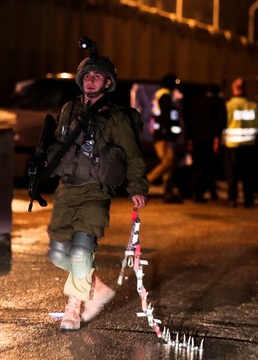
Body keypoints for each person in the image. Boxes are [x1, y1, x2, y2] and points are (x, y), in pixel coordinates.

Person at [46, 48, 148, 331]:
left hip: (95, 191)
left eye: (97, 77)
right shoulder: (69, 109)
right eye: (87, 76)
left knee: (81, 251)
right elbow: (57, 144)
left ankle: (74, 307)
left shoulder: (116, 118)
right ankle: (93, 285)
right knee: (56, 253)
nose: (91, 81)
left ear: (107, 82)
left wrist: (137, 187)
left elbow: (133, 154)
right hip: (67, 190)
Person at [222, 77, 258, 208]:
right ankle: (248, 199)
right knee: (248, 174)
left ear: (233, 89)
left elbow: (222, 124)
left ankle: (232, 199)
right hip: (249, 145)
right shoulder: (253, 105)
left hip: (232, 145)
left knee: (232, 174)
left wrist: (218, 140)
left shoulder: (229, 105)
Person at [147, 74, 185, 203]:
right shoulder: (164, 96)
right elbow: (165, 117)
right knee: (168, 162)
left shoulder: (160, 95)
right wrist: (170, 133)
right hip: (163, 136)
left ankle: (168, 194)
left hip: (162, 135)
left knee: (169, 164)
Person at [185, 84, 226, 202]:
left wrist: (189, 139)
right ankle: (199, 193)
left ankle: (205, 192)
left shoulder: (196, 102)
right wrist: (217, 139)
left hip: (196, 140)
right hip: (210, 140)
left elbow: (190, 120)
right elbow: (220, 123)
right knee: (208, 167)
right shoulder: (218, 102)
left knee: (197, 166)